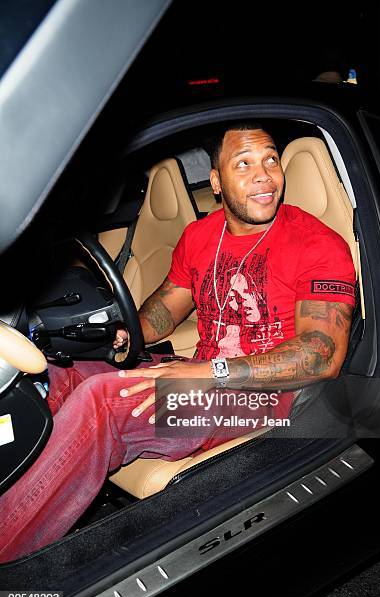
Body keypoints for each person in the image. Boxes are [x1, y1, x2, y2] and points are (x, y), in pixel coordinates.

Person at [0, 122, 356, 562]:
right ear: (216, 182)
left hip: (265, 394)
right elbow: (165, 311)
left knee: (102, 401)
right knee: (57, 377)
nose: (263, 175)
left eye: (270, 160)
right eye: (243, 164)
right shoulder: (201, 235)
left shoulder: (318, 244)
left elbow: (321, 356)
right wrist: (126, 333)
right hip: (201, 372)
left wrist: (206, 373)